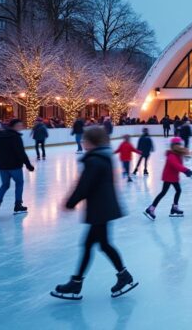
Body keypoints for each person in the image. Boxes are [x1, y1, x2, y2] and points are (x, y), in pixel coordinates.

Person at [51, 126, 138, 300]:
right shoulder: (102, 157)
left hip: (100, 209)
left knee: (95, 245)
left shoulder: (95, 160)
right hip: (103, 207)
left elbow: (84, 186)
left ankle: (77, 283)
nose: (82, 142)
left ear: (91, 142)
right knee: (98, 244)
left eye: (84, 140)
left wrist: (69, 203)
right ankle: (82, 282)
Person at [0, 119, 34, 218]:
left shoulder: (1, 135)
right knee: (19, 183)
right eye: (19, 125)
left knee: (5, 185)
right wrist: (28, 165)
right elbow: (21, 153)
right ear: (13, 126)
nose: (21, 127)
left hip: (2, 166)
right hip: (14, 166)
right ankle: (18, 205)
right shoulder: (16, 137)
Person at [144, 137, 192, 220]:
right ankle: (151, 208)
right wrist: (186, 170)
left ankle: (173, 208)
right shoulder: (171, 155)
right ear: (174, 145)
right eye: (178, 144)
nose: (179, 146)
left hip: (172, 176)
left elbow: (179, 165)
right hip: (169, 177)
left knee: (176, 190)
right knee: (165, 192)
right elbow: (177, 165)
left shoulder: (176, 154)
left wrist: (186, 170)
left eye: (179, 144)